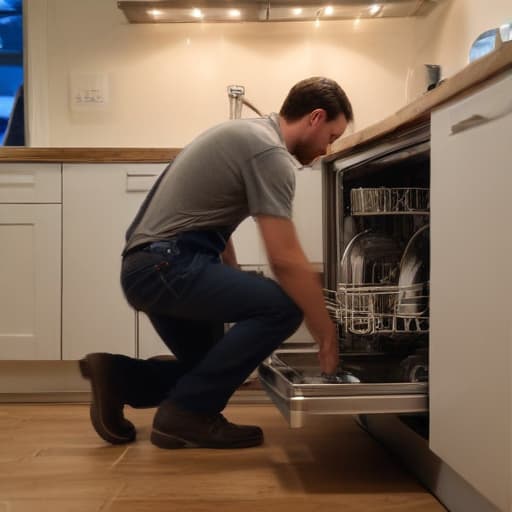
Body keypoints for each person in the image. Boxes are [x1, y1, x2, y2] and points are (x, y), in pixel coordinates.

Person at [79, 76, 353, 450]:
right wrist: (325, 333)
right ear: (316, 118)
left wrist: (231, 284)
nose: (325, 150)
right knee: (283, 307)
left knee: (211, 367)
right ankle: (186, 415)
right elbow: (285, 259)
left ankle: (118, 376)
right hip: (168, 265)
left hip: (150, 266)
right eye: (332, 138)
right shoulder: (270, 153)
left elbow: (213, 226)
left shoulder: (248, 135)